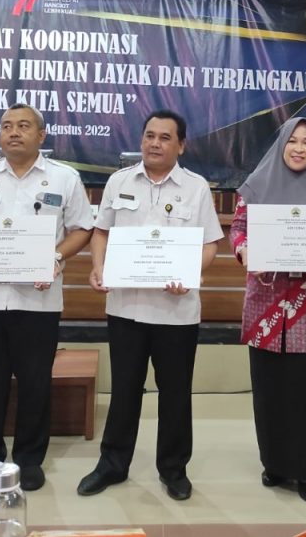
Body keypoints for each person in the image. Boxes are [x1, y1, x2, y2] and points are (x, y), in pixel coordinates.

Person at [76, 110, 223, 501]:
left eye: (164, 137)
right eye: (149, 136)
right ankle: (112, 464)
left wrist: (190, 272)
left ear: (181, 145)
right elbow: (101, 233)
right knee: (124, 390)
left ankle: (173, 470)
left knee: (175, 393)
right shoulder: (119, 181)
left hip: (177, 312)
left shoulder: (196, 188)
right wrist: (98, 267)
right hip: (126, 308)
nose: (155, 143)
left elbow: (210, 244)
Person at [0, 104, 93, 492]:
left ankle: (29, 460)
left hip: (38, 304)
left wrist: (55, 257)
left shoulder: (64, 178)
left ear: (41, 135)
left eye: (24, 126)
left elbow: (82, 228)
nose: (13, 132)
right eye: (7, 126)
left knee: (35, 385)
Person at [229, 117, 306, 502]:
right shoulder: (254, 188)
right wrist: (245, 251)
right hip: (267, 302)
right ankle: (276, 463)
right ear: (281, 144)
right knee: (271, 389)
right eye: (292, 141)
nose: (299, 148)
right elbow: (238, 230)